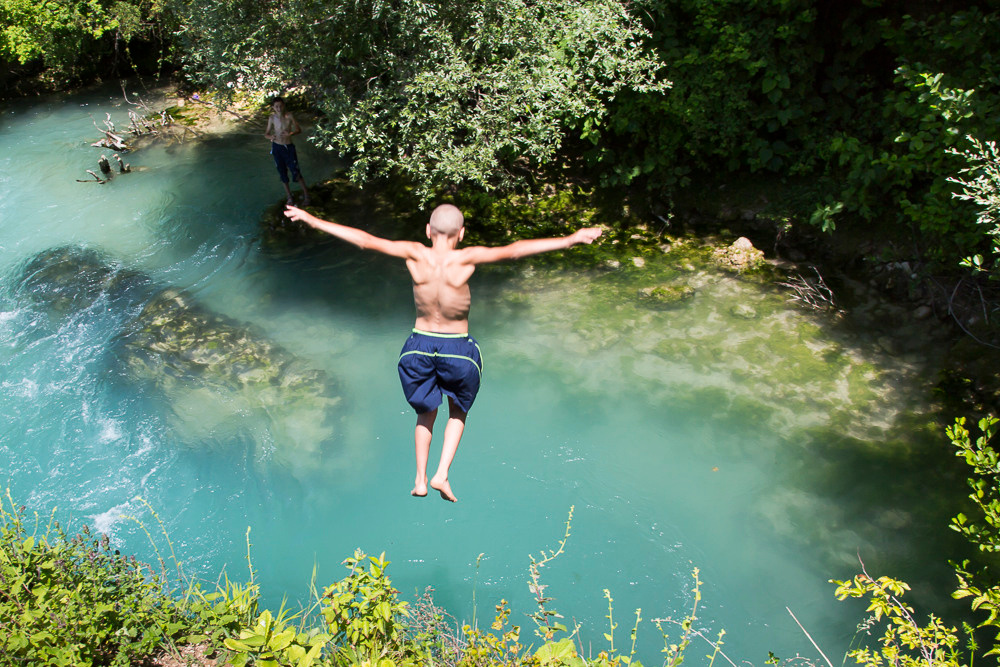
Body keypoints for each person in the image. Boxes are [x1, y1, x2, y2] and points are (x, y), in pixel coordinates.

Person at [283, 203, 602, 502]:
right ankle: (442, 474)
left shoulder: (414, 253)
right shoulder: (466, 258)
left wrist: (312, 220)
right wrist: (570, 239)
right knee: (458, 411)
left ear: (427, 230)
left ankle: (420, 479)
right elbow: (515, 250)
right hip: (457, 348)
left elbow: (365, 241)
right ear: (461, 234)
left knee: (425, 413)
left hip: (417, 347)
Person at [265, 96, 311, 206]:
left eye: (280, 106)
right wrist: (271, 137)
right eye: (276, 106)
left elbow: (298, 129)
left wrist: (290, 133)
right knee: (282, 172)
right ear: (273, 107)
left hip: (288, 147)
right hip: (277, 147)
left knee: (295, 171)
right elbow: (266, 133)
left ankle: (306, 195)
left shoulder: (289, 116)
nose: (279, 108)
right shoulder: (272, 118)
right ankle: (289, 197)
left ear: (284, 106)